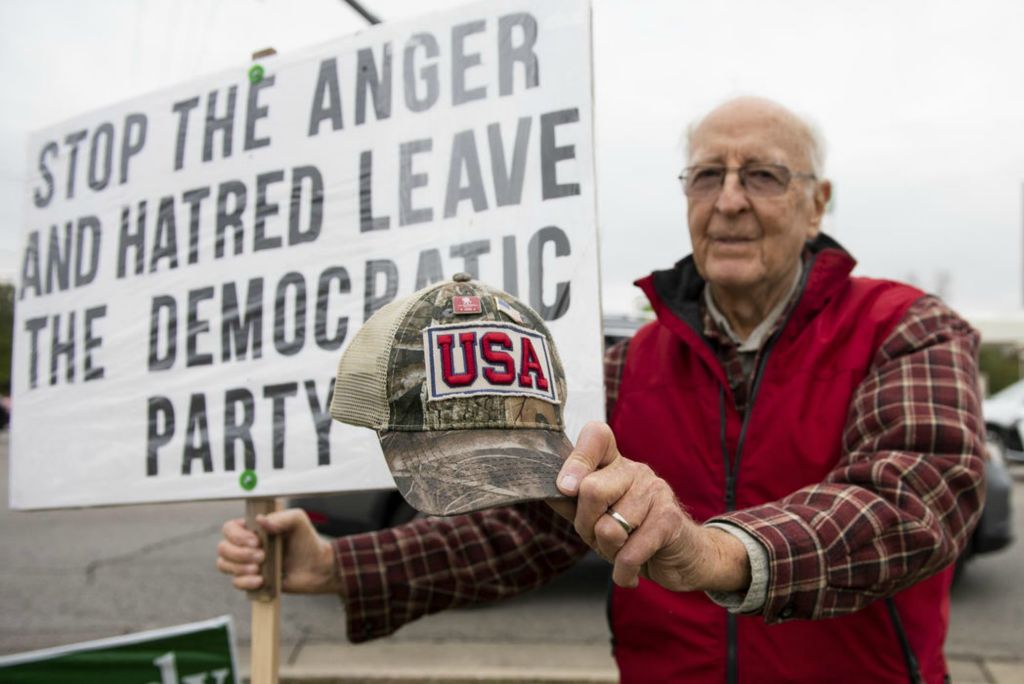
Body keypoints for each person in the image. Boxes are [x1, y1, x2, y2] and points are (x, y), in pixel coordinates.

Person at [216, 97, 986, 683]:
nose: (728, 201)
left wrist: (714, 552)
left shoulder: (904, 328)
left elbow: (913, 502)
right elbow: (527, 529)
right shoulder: (626, 364)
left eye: (762, 176)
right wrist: (333, 568)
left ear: (818, 203)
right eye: (706, 176)